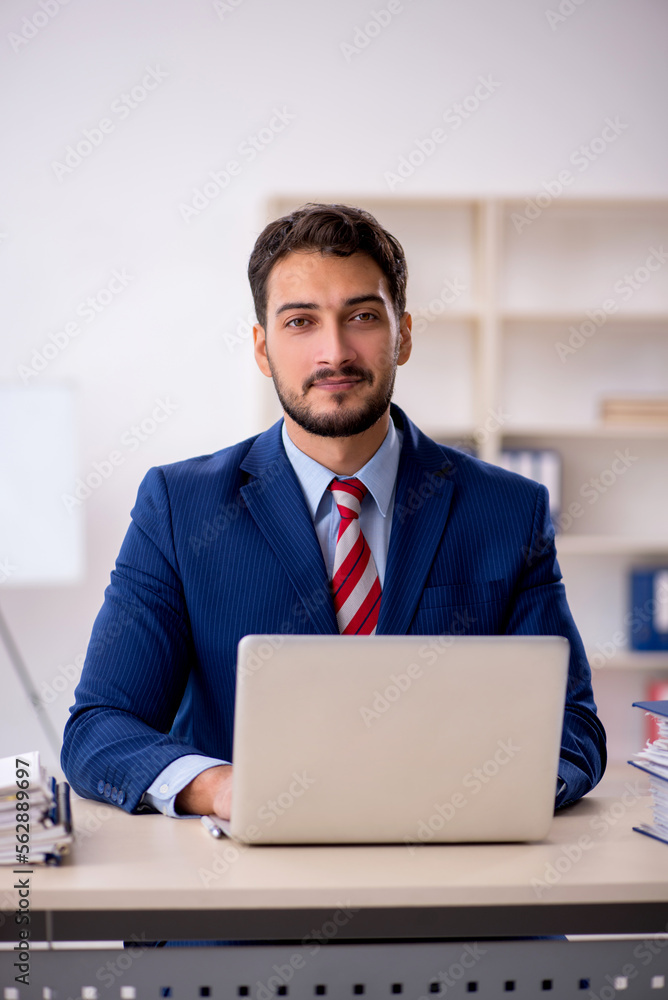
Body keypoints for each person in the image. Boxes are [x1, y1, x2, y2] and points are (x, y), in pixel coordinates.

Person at [61, 203, 607, 820]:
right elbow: (100, 728)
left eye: (363, 317)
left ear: (402, 335)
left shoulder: (509, 509)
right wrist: (225, 789)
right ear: (263, 350)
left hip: (463, 879)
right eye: (301, 322)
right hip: (256, 889)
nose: (335, 351)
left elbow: (573, 727)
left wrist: (487, 792)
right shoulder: (180, 508)